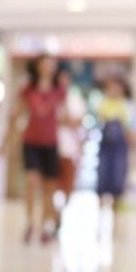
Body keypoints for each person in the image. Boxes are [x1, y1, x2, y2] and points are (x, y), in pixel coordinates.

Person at [1, 54, 65, 244]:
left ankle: (46, 226)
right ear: (37, 67)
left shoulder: (59, 91)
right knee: (31, 183)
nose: (47, 68)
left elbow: (64, 115)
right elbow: (16, 115)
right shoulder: (28, 90)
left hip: (51, 143)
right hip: (31, 142)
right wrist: (5, 141)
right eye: (44, 64)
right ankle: (30, 223)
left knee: (49, 188)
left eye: (51, 65)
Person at [95, 76, 136, 213]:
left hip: (120, 149)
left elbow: (131, 129)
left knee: (118, 180)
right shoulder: (104, 103)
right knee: (102, 178)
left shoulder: (127, 106)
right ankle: (100, 211)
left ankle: (115, 212)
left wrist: (134, 145)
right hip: (105, 148)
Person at [55, 67, 86, 229]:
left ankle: (60, 212)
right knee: (52, 185)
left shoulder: (74, 99)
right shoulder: (51, 97)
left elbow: (77, 122)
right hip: (52, 147)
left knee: (68, 186)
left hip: (69, 149)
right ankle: (52, 215)